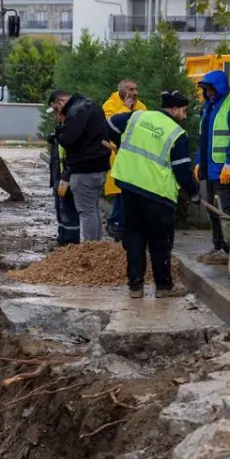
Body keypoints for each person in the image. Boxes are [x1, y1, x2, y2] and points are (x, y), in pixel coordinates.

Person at [107, 91, 199, 298]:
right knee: (160, 241)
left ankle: (135, 287)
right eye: (183, 111)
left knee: (134, 237)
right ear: (174, 109)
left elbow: (110, 124)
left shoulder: (138, 116)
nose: (185, 116)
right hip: (157, 194)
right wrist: (194, 192)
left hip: (130, 186)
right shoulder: (176, 133)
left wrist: (122, 144)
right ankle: (164, 287)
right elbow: (182, 171)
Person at [193, 70, 230, 265]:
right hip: (212, 168)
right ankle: (218, 246)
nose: (208, 93)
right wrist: (199, 161)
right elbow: (205, 138)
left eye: (210, 89)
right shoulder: (210, 106)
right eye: (206, 90)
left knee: (223, 209)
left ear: (219, 88)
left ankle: (227, 250)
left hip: (226, 169)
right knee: (213, 209)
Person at [48, 89, 111, 242]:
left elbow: (68, 139)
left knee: (86, 211)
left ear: (61, 102)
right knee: (93, 208)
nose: (57, 114)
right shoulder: (91, 106)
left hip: (84, 169)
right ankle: (96, 245)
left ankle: (91, 246)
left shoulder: (76, 111)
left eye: (56, 109)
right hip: (98, 167)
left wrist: (59, 130)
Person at [101, 79, 148, 241]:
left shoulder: (141, 107)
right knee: (121, 193)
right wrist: (126, 109)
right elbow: (110, 127)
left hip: (136, 158)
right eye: (130, 89)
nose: (134, 92)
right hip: (118, 158)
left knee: (130, 194)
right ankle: (116, 226)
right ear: (121, 92)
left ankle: (123, 227)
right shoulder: (109, 105)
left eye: (136, 89)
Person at [48, 118, 81, 247]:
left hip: (66, 178)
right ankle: (62, 239)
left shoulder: (71, 131)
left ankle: (71, 242)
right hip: (59, 178)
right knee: (61, 210)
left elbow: (73, 157)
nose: (55, 116)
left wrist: (67, 176)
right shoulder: (61, 129)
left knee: (69, 211)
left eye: (56, 112)